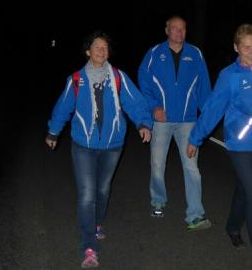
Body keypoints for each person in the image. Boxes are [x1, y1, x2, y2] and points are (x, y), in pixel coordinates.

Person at [187, 24, 252, 270]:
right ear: (236, 47)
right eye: (246, 47)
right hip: (241, 146)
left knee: (246, 189)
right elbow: (213, 109)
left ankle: (232, 226)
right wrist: (195, 138)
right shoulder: (230, 76)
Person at [46, 31, 153, 269]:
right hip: (83, 146)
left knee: (103, 190)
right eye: (97, 47)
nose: (101, 50)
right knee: (87, 195)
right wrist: (53, 131)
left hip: (113, 145)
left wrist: (143, 124)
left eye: (105, 47)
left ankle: (96, 223)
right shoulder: (76, 79)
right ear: (88, 51)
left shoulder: (118, 77)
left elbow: (134, 102)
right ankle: (89, 247)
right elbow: (63, 106)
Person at [138, 15, 212, 229]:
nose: (179, 32)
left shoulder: (195, 54)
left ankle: (195, 214)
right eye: (175, 28)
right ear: (167, 30)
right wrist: (154, 107)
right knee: (157, 164)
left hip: (188, 121)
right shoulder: (154, 53)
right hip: (161, 121)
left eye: (183, 28)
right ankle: (158, 201)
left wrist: (207, 116)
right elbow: (144, 81)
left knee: (192, 167)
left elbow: (204, 86)